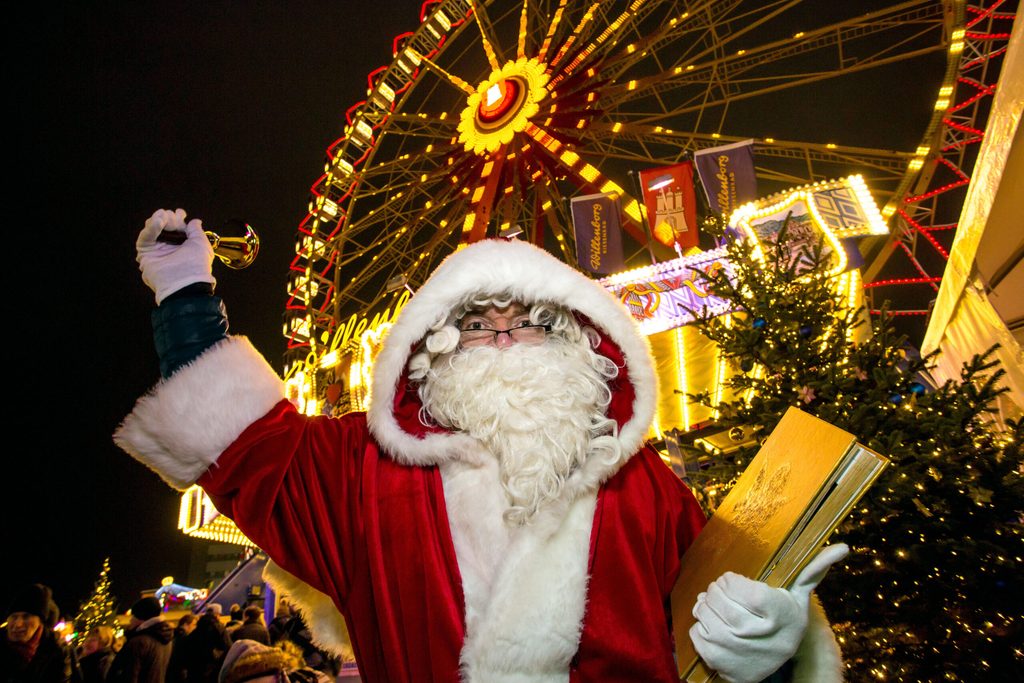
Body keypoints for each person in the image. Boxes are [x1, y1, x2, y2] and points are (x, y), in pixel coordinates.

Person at [116, 208, 849, 682]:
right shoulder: (364, 471)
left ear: (577, 337)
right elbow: (245, 443)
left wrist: (776, 655)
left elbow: (714, 606)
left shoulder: (644, 482)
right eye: (474, 321)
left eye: (527, 318)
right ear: (432, 344)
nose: (501, 331)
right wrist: (185, 294)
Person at [1, 584, 75, 683]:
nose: (18, 624)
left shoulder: (57, 651)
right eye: (14, 617)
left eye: (26, 617)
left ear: (40, 622)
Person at [106, 597, 173, 683]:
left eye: (133, 616)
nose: (130, 620)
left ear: (141, 617)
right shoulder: (166, 639)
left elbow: (129, 675)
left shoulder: (139, 642)